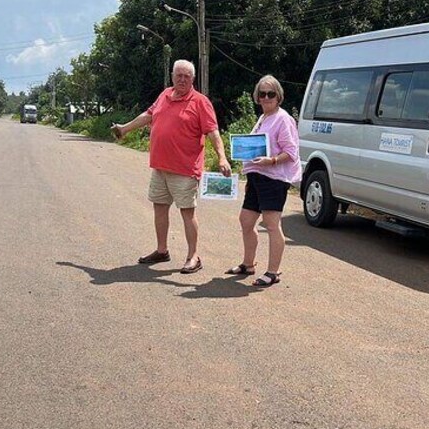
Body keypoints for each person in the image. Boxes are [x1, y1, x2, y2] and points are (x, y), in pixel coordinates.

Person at [111, 60, 231, 274]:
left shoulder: (200, 102)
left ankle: (194, 256)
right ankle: (161, 250)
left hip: (185, 170)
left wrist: (222, 157)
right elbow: (148, 116)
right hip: (160, 167)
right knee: (159, 208)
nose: (182, 79)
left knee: (187, 212)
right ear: (172, 76)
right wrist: (125, 128)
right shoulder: (165, 94)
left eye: (186, 76)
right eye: (179, 75)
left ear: (193, 79)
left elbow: (213, 132)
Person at [226, 75, 301, 287]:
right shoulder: (264, 118)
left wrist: (272, 160)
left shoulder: (283, 118)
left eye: (270, 94)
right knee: (246, 220)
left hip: (274, 179)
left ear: (278, 96)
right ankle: (248, 264)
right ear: (257, 97)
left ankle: (273, 272)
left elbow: (291, 151)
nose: (266, 97)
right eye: (262, 94)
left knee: (271, 224)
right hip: (257, 178)